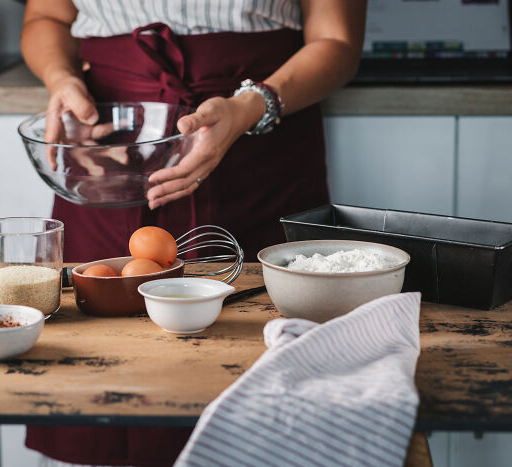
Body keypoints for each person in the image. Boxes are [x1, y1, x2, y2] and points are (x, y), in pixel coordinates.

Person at [21, 1, 366, 465]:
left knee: (262, 374)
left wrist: (252, 106)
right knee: (98, 355)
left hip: (262, 147)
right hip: (109, 152)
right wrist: (63, 80)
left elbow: (338, 42)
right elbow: (47, 19)